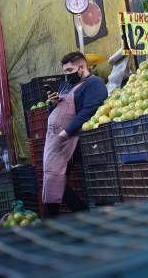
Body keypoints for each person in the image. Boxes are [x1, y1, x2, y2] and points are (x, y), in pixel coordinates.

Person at [42, 51, 108, 217]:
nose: (67, 75)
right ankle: (80, 213)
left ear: (81, 67)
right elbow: (55, 111)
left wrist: (66, 132)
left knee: (54, 179)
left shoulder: (94, 84)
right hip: (57, 140)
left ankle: (52, 221)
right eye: (64, 71)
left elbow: (89, 111)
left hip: (76, 140)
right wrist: (52, 103)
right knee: (53, 179)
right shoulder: (65, 86)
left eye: (69, 70)